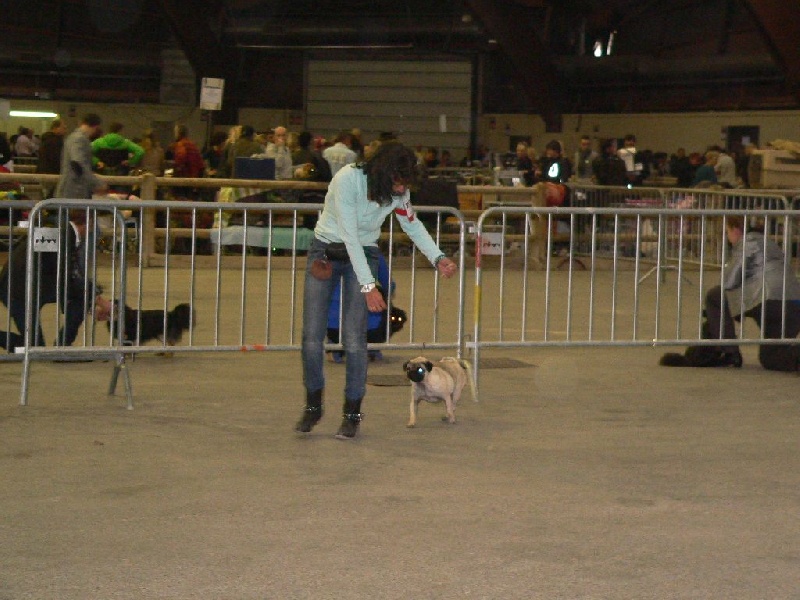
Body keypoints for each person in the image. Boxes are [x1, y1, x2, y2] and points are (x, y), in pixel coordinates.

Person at [296, 141, 458, 440]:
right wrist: (368, 286)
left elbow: (413, 226)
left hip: (365, 251)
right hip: (327, 252)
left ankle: (352, 414)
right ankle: (313, 404)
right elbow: (349, 236)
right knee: (311, 336)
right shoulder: (347, 180)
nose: (401, 190)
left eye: (406, 184)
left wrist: (438, 257)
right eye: (398, 182)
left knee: (356, 340)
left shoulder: (399, 191)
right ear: (382, 173)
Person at [689, 216, 800, 370]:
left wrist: (732, 308)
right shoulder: (769, 244)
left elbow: (730, 280)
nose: (727, 236)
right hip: (793, 306)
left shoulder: (748, 242)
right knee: (771, 356)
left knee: (715, 296)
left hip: (768, 298)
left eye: (726, 232)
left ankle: (729, 352)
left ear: (735, 230)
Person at [0, 210, 111, 350]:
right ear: (88, 223)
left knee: (81, 296)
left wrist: (91, 302)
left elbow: (65, 275)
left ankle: (61, 345)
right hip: (18, 291)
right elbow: (67, 277)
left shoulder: (59, 232)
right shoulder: (63, 237)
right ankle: (62, 346)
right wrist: (99, 301)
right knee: (35, 348)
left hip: (22, 286)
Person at [326, 253, 400, 363]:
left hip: (334, 327)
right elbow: (389, 286)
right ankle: (372, 347)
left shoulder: (327, 254)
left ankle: (335, 346)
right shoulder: (374, 253)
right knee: (396, 313)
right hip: (370, 331)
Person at [55, 113, 106, 200]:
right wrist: (97, 183)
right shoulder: (79, 139)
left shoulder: (73, 137)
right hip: (74, 191)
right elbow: (78, 163)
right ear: (96, 127)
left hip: (71, 190)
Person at [36, 119, 67, 198]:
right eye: (63, 128)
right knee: (53, 197)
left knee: (46, 195)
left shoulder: (45, 140)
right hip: (52, 174)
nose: (65, 130)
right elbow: (57, 159)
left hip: (43, 172)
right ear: (56, 128)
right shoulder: (56, 142)